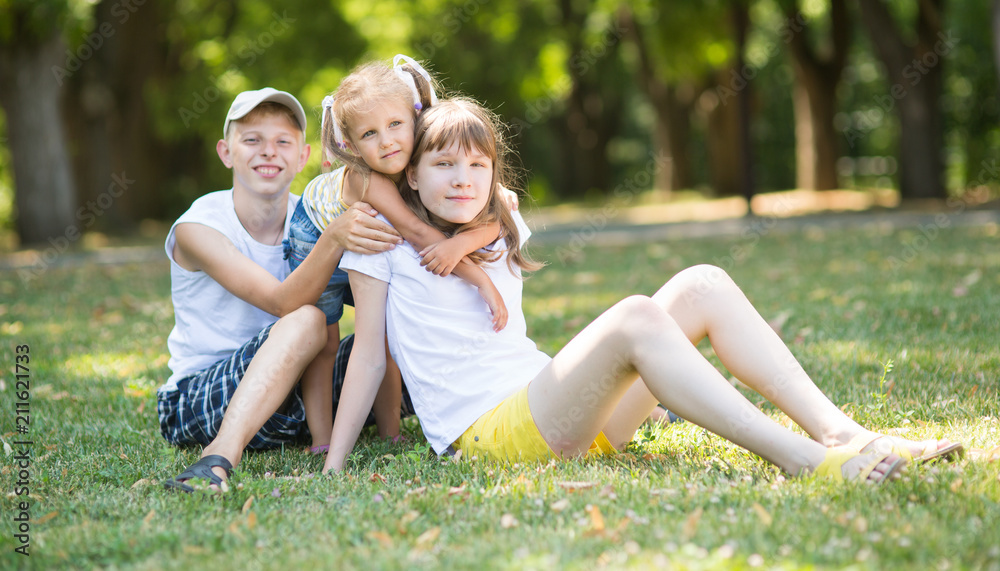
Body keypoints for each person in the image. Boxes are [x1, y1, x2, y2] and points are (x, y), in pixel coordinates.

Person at [323, 98, 964, 483]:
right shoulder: (381, 240)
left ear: (494, 172)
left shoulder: (503, 218)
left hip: (561, 412)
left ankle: (841, 435)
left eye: (476, 165)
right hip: (491, 434)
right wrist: (335, 464)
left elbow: (494, 225)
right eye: (442, 165)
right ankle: (800, 460)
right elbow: (371, 354)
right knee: (634, 316)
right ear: (409, 175)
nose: (462, 180)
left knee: (701, 284)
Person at [159, 87, 403, 492]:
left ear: (303, 156)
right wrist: (334, 238)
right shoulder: (198, 227)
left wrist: (491, 200)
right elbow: (282, 302)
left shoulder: (315, 208)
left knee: (400, 339)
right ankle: (216, 459)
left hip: (294, 392)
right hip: (204, 396)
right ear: (226, 152)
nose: (268, 152)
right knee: (307, 318)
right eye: (252, 140)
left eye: (283, 142)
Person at [284, 56, 511, 454]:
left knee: (387, 334)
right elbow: (418, 233)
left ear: (415, 118)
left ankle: (390, 432)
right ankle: (322, 440)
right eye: (370, 134)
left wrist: (462, 241)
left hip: (368, 245)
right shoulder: (367, 177)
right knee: (325, 341)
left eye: (395, 125)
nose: (387, 141)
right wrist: (482, 281)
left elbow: (496, 221)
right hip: (316, 234)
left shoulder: (426, 159)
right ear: (350, 145)